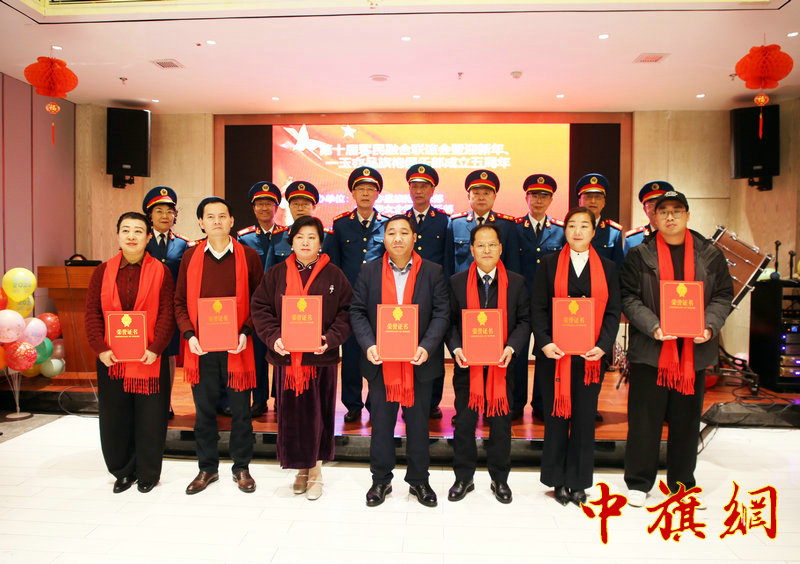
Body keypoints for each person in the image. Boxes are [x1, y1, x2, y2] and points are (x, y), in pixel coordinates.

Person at [621, 190, 733, 508]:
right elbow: (628, 296)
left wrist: (708, 326)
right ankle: (639, 482)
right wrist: (654, 326)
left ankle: (682, 484)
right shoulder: (640, 254)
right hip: (651, 350)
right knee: (644, 420)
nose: (670, 217)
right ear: (654, 217)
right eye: (663, 211)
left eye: (677, 211)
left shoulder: (709, 254)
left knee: (686, 422)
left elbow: (723, 295)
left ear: (687, 215)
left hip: (693, 354)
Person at [349, 214, 449, 508]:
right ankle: (380, 480)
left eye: (404, 232)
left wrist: (427, 347)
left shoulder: (432, 271)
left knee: (418, 425)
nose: (397, 238)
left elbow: (442, 312)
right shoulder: (369, 271)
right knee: (381, 424)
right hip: (381, 363)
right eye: (391, 232)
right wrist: (368, 344)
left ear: (414, 238)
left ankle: (419, 480)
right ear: (384, 238)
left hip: (419, 362)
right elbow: (357, 311)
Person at [251, 215, 352, 500]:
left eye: (312, 237)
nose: (305, 242)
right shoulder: (276, 274)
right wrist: (274, 338)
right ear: (291, 241)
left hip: (320, 360)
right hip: (288, 360)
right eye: (300, 237)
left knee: (319, 415)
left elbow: (347, 311)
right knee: (293, 417)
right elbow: (260, 308)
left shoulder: (334, 275)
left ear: (321, 243)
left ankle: (316, 469)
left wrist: (330, 339)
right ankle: (300, 468)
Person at [531, 207, 621, 507]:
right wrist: (545, 343)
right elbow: (537, 307)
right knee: (556, 417)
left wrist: (603, 346)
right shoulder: (548, 264)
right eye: (572, 225)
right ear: (564, 230)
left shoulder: (608, 267)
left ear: (594, 231)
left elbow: (613, 312)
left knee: (584, 419)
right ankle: (557, 480)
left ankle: (579, 481)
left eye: (584, 226)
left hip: (590, 357)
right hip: (554, 356)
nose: (578, 231)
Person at [175, 197, 263, 495]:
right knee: (204, 412)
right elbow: (179, 302)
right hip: (201, 348)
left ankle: (241, 467)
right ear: (201, 222)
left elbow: (259, 301)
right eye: (209, 216)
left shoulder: (248, 256)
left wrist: (246, 332)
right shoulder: (190, 257)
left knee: (241, 412)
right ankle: (207, 468)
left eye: (222, 216)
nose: (216, 221)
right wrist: (189, 335)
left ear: (231, 221)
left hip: (238, 348)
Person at [85, 211, 175, 493]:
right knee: (115, 418)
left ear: (148, 237)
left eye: (138, 231)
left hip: (150, 358)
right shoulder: (102, 271)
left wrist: (156, 348)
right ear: (118, 236)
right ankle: (123, 471)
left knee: (151, 418)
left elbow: (167, 313)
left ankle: (148, 473)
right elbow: (92, 313)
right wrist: (100, 348)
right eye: (126, 230)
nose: (132, 236)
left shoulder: (161, 271)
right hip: (112, 360)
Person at [446, 223, 530, 504]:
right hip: (467, 367)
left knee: (501, 425)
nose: (486, 250)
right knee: (464, 424)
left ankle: (500, 479)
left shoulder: (516, 282)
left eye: (492, 244)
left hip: (501, 368)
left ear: (500, 248)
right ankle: (463, 477)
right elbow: (450, 322)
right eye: (480, 245)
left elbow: (524, 321)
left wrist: (511, 347)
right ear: (471, 250)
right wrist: (456, 347)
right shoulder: (457, 282)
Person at [323, 166, 390, 423]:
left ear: (377, 193)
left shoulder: (388, 225)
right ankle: (352, 403)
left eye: (370, 189)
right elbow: (334, 266)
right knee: (350, 355)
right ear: (352, 193)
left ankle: (375, 402)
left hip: (378, 302)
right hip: (350, 302)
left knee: (376, 353)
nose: (365, 193)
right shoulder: (341, 225)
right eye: (360, 188)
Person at [513, 174, 565, 421]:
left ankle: (543, 404)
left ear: (551, 199)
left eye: (544, 196)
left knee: (546, 355)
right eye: (534, 195)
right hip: (520, 303)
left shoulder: (560, 231)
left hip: (548, 304)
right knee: (517, 354)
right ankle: (515, 403)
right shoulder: (513, 228)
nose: (539, 200)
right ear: (526, 197)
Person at [142, 186, 193, 419]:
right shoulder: (141, 241)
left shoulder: (183, 244)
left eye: (169, 211)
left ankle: (167, 401)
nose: (165, 216)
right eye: (159, 211)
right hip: (145, 310)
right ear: (149, 215)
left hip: (171, 311)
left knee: (170, 355)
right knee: (146, 353)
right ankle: (146, 400)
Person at [404, 163, 450, 419]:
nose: (419, 191)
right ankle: (407, 396)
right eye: (414, 186)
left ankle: (432, 401)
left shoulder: (444, 221)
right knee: (404, 345)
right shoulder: (401, 220)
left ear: (432, 190)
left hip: (434, 294)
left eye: (424, 186)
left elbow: (447, 260)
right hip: (405, 293)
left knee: (433, 347)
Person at [237, 181, 283, 418]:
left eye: (269, 203)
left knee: (281, 352)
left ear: (276, 207)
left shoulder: (287, 235)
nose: (265, 208)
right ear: (253, 208)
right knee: (256, 354)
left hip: (282, 305)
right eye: (260, 204)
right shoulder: (243, 238)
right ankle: (259, 398)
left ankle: (280, 397)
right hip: (256, 305)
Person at [446, 169, 520, 278]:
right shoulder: (456, 224)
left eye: (486, 193)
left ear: (494, 197)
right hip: (462, 284)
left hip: (497, 284)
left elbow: (513, 263)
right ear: (468, 197)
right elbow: (448, 263)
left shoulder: (507, 225)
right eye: (476, 193)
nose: (481, 198)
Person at [575, 173, 625, 270]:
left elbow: (618, 268)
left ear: (604, 202)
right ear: (580, 201)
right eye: (588, 196)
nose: (593, 201)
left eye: (598, 197)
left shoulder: (614, 232)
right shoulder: (570, 229)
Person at [267, 181, 323, 265]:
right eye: (295, 204)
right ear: (289, 207)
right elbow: (270, 270)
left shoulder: (326, 237)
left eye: (305, 204)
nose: (300, 208)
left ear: (314, 208)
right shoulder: (278, 237)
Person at [623, 181, 673, 255]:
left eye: (661, 204)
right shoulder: (633, 240)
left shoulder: (680, 237)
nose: (656, 209)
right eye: (652, 205)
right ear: (645, 210)